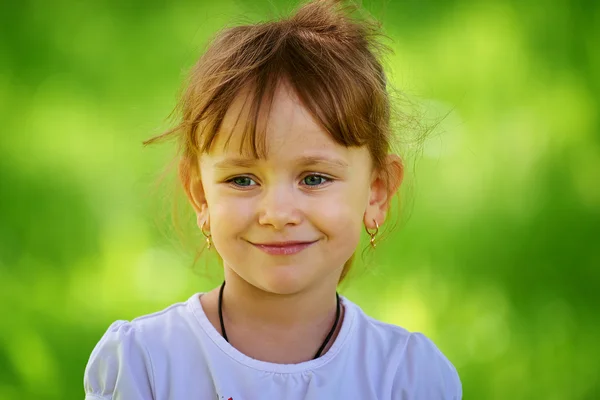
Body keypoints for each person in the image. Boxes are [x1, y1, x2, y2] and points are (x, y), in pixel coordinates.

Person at [83, 0, 462, 398]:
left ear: (376, 191)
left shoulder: (406, 378)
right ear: (201, 196)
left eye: (314, 178)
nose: (278, 214)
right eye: (243, 179)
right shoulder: (147, 364)